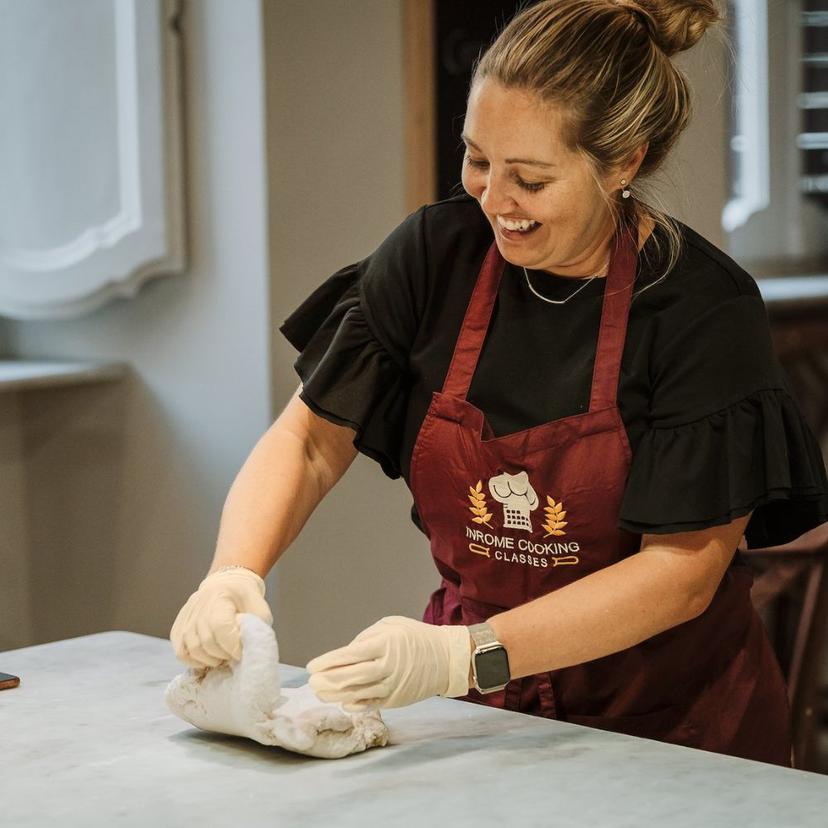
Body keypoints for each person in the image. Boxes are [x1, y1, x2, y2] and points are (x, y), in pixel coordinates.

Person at [170, 0, 828, 767]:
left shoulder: (700, 310)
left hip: (671, 725)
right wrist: (233, 574)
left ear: (625, 162)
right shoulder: (434, 257)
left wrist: (463, 655)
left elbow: (680, 572)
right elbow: (312, 439)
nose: (493, 199)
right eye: (478, 159)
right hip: (481, 720)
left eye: (531, 179)